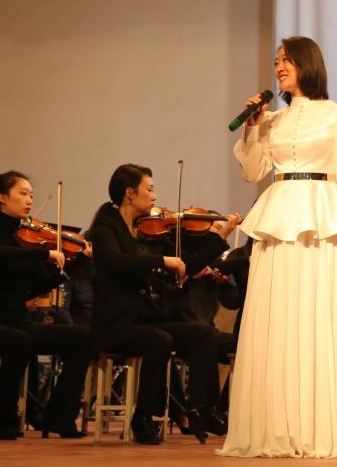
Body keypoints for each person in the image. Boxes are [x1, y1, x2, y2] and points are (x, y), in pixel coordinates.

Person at [219, 36, 337, 458]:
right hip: (278, 218)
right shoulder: (271, 120)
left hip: (320, 221)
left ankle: (314, 428)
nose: (279, 67)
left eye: (286, 60)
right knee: (274, 317)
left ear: (307, 63)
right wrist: (252, 126)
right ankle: (271, 426)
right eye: (276, 61)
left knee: (313, 317)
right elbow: (253, 172)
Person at [89, 163, 234, 445]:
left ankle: (205, 407)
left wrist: (221, 237)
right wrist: (161, 261)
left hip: (144, 320)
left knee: (202, 334)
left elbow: (188, 265)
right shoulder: (106, 226)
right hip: (114, 324)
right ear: (130, 193)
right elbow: (116, 262)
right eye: (150, 189)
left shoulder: (147, 231)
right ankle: (144, 417)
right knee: (159, 340)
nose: (155, 197)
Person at [0, 171, 90, 439]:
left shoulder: (25, 238)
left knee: (82, 337)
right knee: (19, 341)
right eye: (23, 193)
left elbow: (38, 285)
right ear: (2, 198)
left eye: (31, 194)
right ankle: (2, 420)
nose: (30, 200)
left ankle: (59, 416)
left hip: (19, 323)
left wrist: (76, 261)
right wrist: (43, 253)